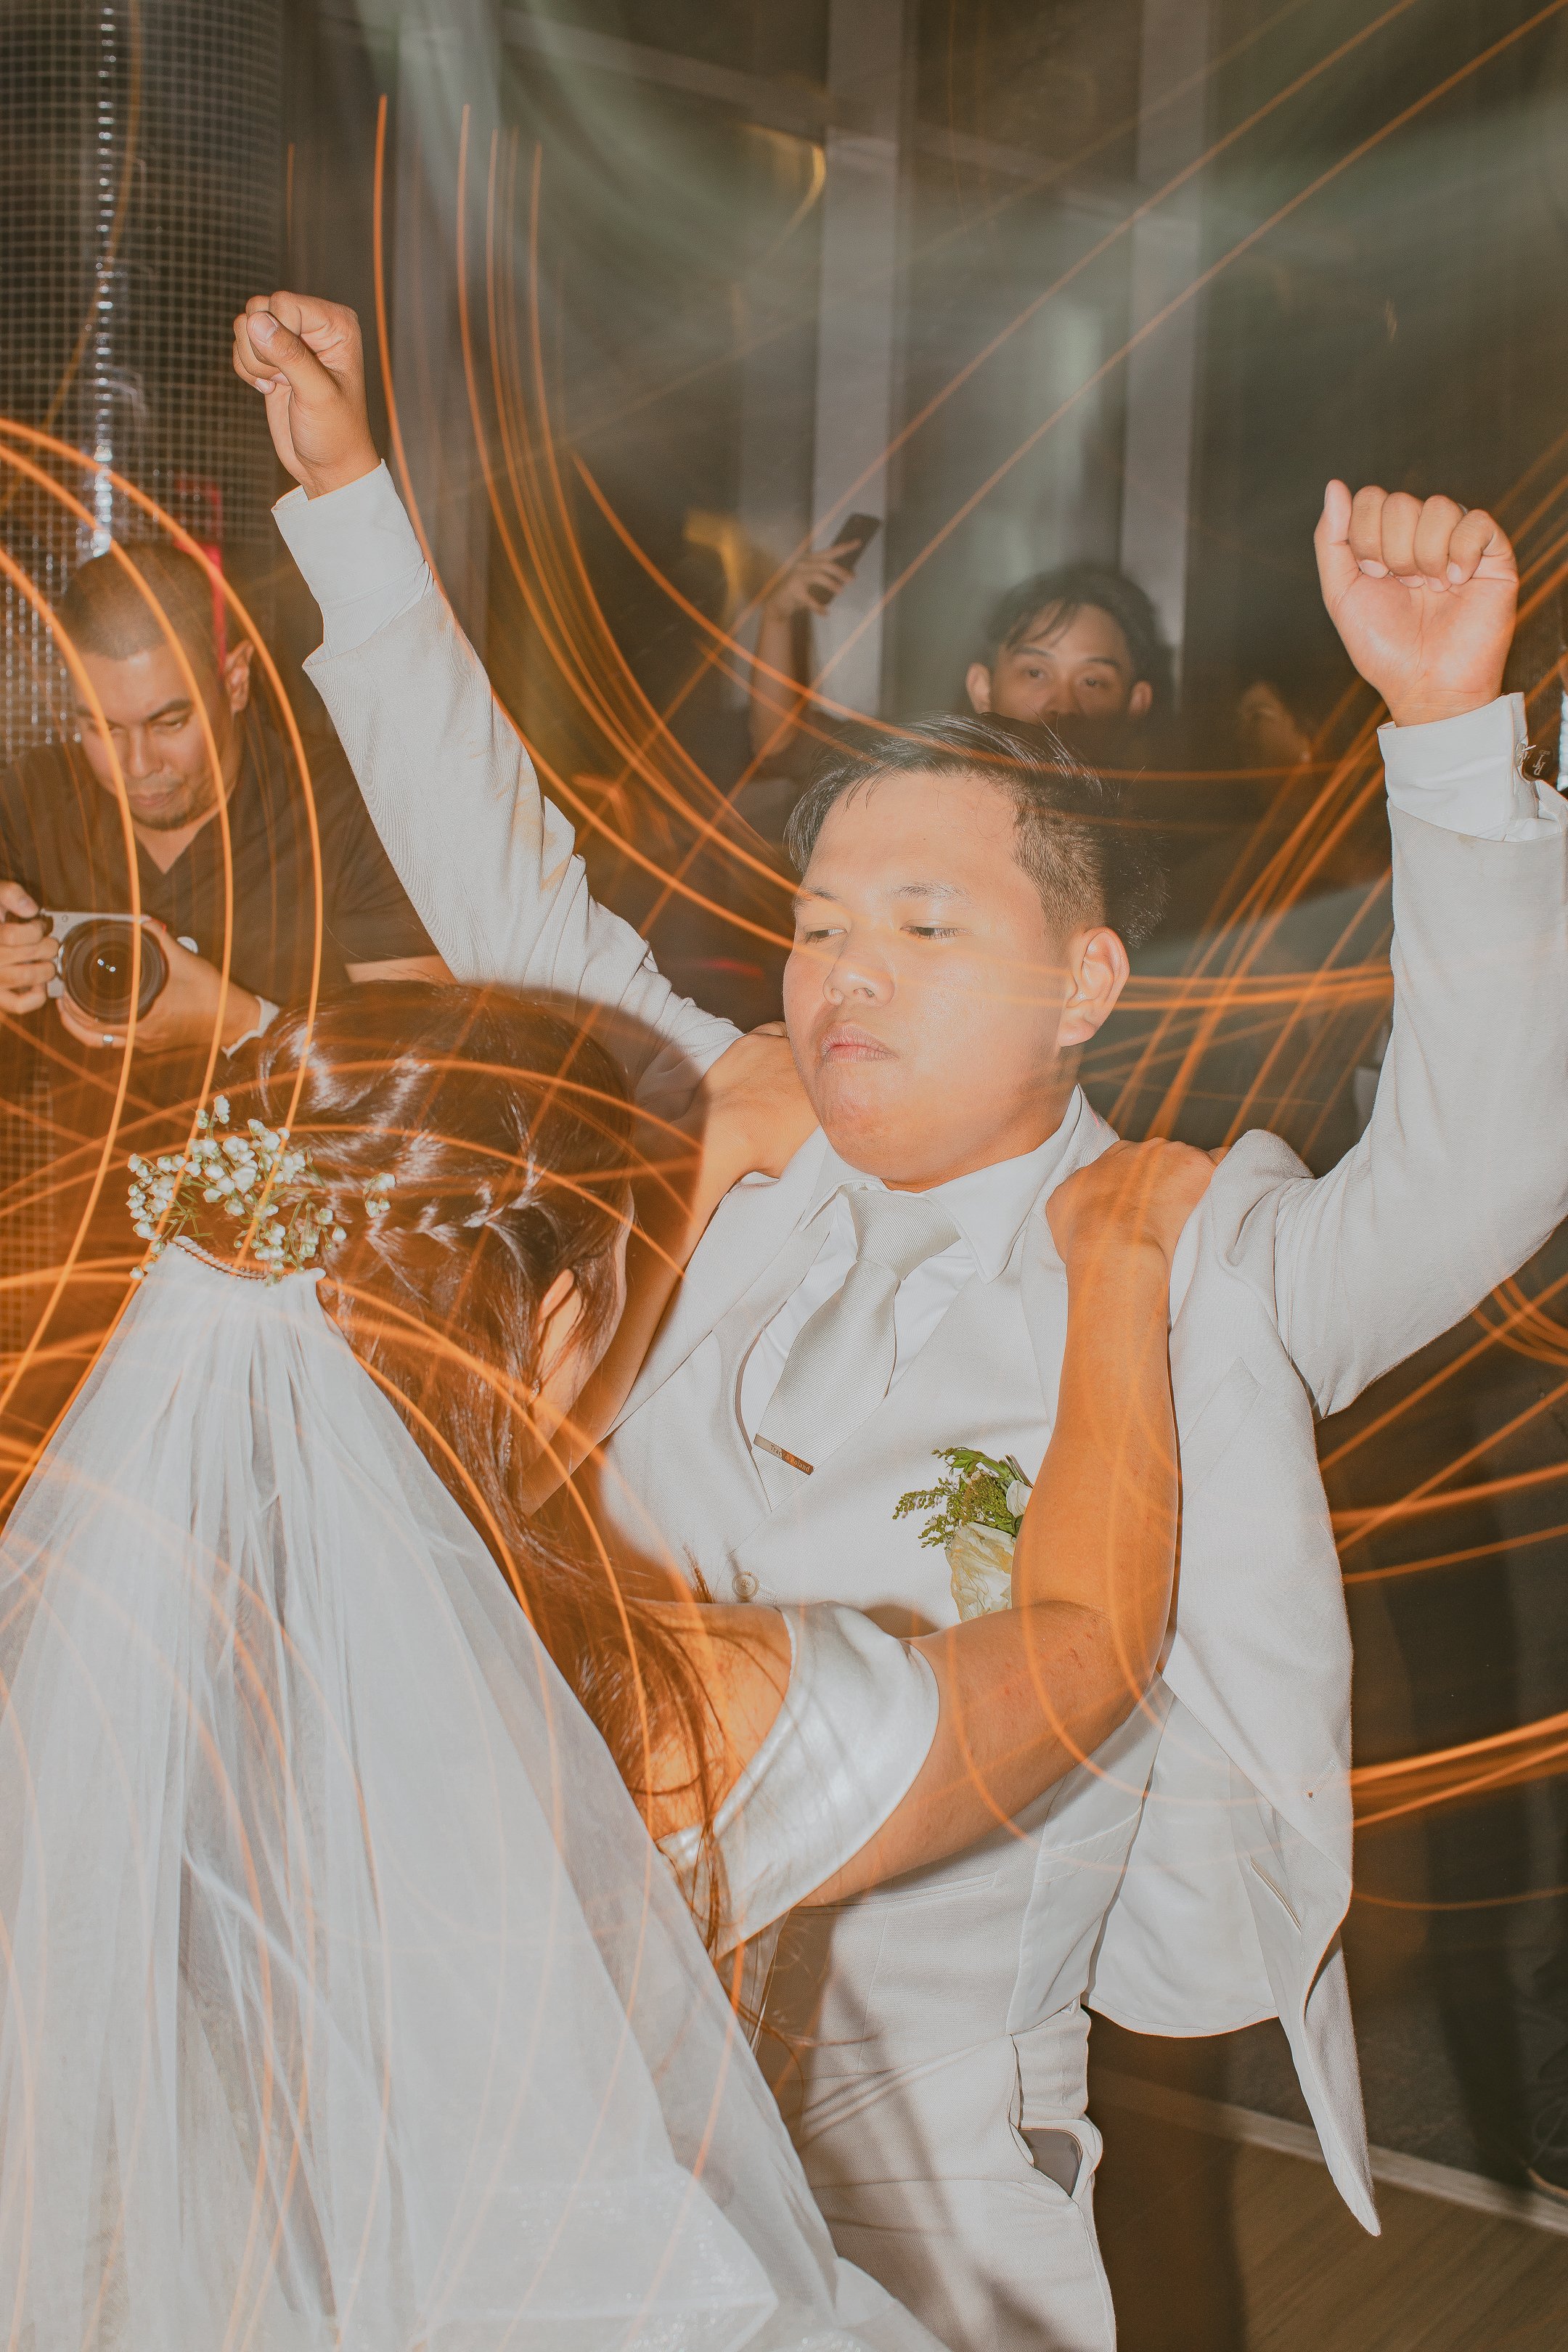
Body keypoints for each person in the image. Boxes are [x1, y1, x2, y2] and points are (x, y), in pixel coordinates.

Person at [235, 290, 1568, 2352]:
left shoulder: (1184, 1258)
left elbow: (1484, 1162)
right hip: (575, 2104)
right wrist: (342, 496)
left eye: (924, 925)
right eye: (817, 924)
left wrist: (1449, 730)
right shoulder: (725, 1152)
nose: (840, 971)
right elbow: (511, 895)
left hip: (931, 2190)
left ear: (1084, 984)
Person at [0, 976, 1206, 2342]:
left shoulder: (97, 1647)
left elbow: (462, 1430)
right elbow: (1084, 1647)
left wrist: (700, 1153)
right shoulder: (664, 1718)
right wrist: (1120, 1260)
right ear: (564, 1323)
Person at [0, 539, 446, 1071]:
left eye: (170, 723)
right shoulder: (29, 800)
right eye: (102, 728)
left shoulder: (354, 812)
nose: (137, 765)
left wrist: (240, 1024)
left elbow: (422, 1074)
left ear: (235, 681)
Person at [747, 545, 1169, 775]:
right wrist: (779, 616)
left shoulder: (1161, 831)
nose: (1063, 706)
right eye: (1035, 672)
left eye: (1093, 681)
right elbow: (781, 744)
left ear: (1136, 703)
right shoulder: (933, 775)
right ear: (982, 689)